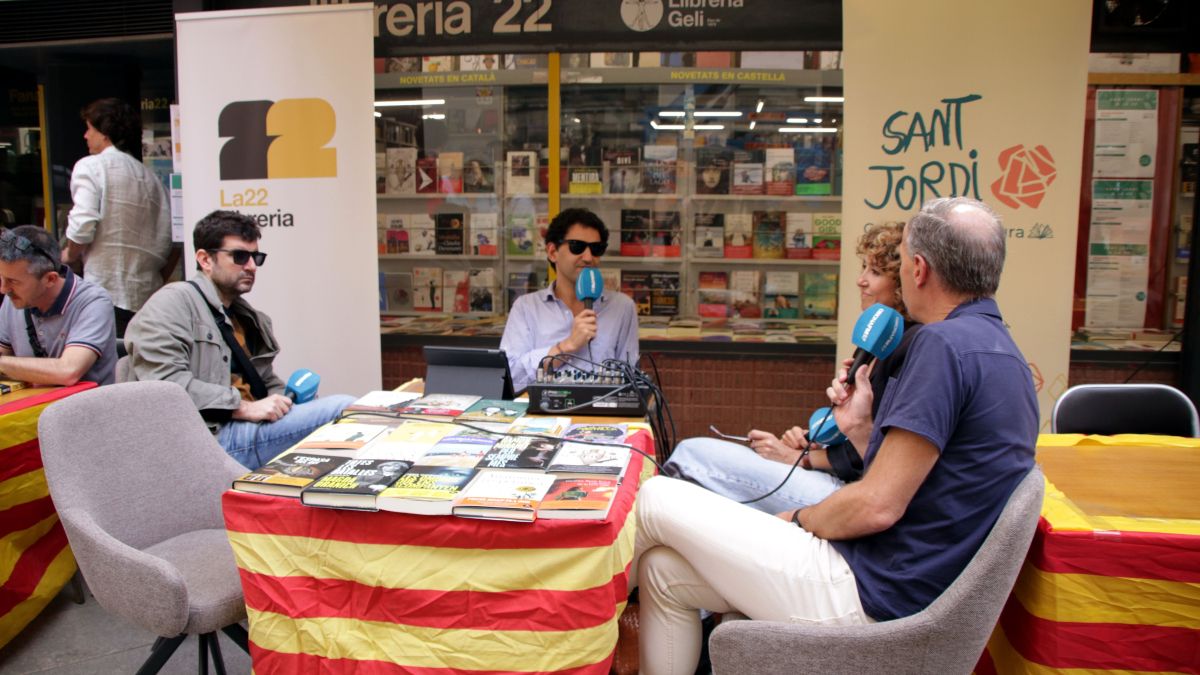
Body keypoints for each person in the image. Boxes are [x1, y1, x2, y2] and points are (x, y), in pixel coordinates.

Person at [634, 197, 1038, 675]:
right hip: (902, 585)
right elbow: (919, 485)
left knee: (655, 496)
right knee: (663, 572)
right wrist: (863, 428)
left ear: (919, 268)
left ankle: (558, 632)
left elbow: (876, 505)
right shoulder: (1003, 351)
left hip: (869, 591)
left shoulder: (941, 346)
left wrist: (800, 518)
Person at [662, 223, 917, 513]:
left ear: (901, 282)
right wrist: (808, 442)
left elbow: (868, 455)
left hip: (848, 492)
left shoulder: (907, 348)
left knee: (690, 456)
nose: (860, 281)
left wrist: (796, 457)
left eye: (875, 272)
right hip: (828, 473)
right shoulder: (876, 341)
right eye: (863, 268)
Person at [124, 211, 354, 470]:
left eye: (256, 257)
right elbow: (164, 387)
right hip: (209, 438)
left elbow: (265, 380)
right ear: (205, 259)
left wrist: (284, 401)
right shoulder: (172, 302)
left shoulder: (245, 316)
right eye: (240, 256)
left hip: (247, 427)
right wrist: (242, 408)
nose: (251, 266)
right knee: (342, 410)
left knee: (354, 412)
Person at [63, 98, 174, 338]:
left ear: (104, 133)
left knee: (106, 370)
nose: (85, 136)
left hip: (104, 293)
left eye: (89, 128)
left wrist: (68, 256)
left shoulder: (91, 167)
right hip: (148, 300)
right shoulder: (154, 181)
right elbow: (172, 242)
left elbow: (82, 225)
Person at [500, 207, 639, 392]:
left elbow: (629, 378)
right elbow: (509, 377)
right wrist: (566, 347)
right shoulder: (526, 307)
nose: (588, 257)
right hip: (540, 416)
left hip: (603, 416)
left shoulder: (622, 307)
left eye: (596, 249)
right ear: (552, 252)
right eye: (577, 247)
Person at [0, 225, 116, 386]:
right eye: (2, 278)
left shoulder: (93, 301)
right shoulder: (14, 298)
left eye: (13, 281)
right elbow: (3, 352)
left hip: (86, 407)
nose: (4, 289)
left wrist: (3, 364)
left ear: (50, 279)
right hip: (32, 406)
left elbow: (68, 372)